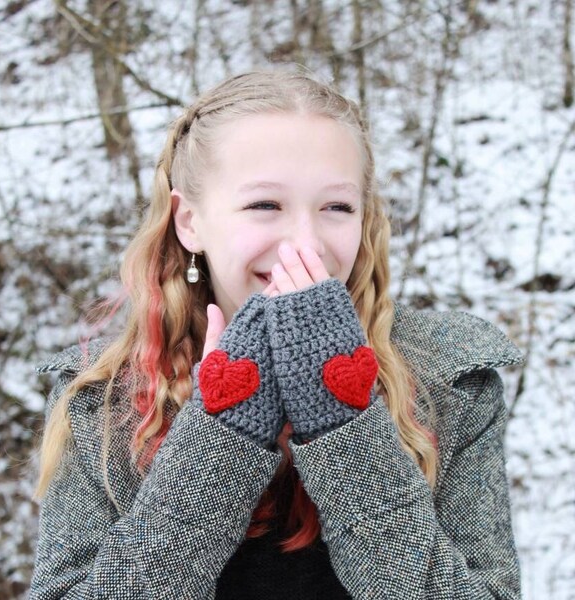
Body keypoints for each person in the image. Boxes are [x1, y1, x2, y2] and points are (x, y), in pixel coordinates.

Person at [30, 70, 523, 599]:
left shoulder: (449, 387)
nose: (304, 244)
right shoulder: (102, 403)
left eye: (336, 207)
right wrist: (219, 439)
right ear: (189, 221)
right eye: (265, 205)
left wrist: (344, 423)